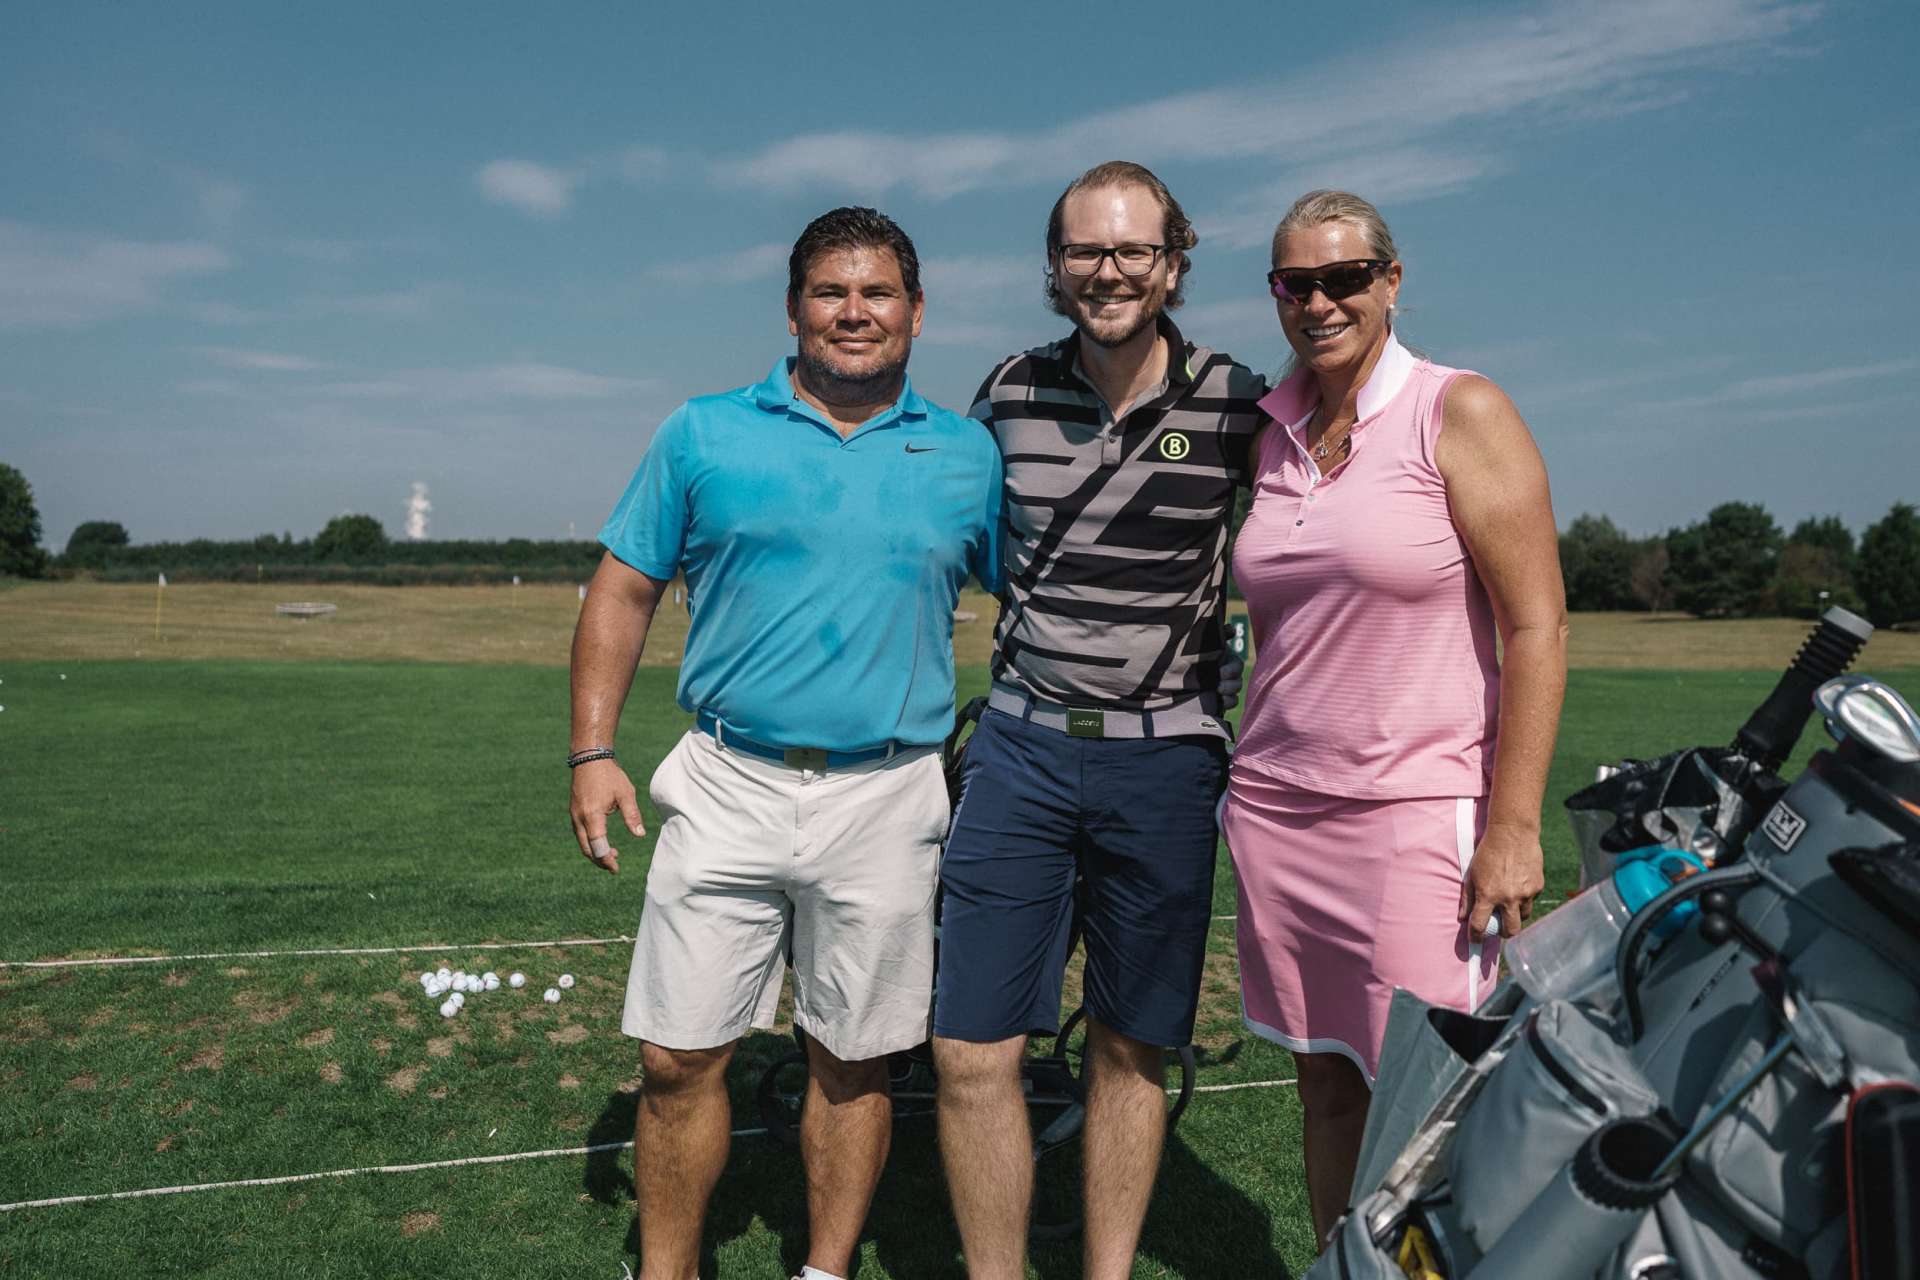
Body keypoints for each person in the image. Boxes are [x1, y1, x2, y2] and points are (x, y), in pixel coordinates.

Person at [567, 207, 1001, 1280]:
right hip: (728, 779)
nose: (855, 312)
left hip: (889, 794)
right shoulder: (702, 432)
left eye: (878, 292)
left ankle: (823, 1271)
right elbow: (623, 589)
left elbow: (1039, 599)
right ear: (794, 308)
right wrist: (592, 751)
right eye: (830, 292)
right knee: (675, 1056)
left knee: (855, 1062)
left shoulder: (967, 453)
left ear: (916, 310)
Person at [932, 160, 1266, 1280]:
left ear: (1174, 261)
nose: (1108, 270)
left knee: (1132, 1046)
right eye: (1084, 249)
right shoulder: (1008, 392)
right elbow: (958, 542)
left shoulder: (1239, 402)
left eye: (1132, 249)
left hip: (1166, 762)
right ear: (1054, 264)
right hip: (1020, 751)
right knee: (970, 1048)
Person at [1222, 190, 1568, 1246]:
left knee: (1433, 1110)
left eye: (1345, 279)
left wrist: (1512, 825)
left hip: (1416, 818)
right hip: (1279, 817)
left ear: (1392, 281)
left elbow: (1538, 627)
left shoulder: (1459, 410)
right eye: (1296, 283)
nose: (1320, 301)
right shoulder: (1271, 430)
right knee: (1327, 1092)